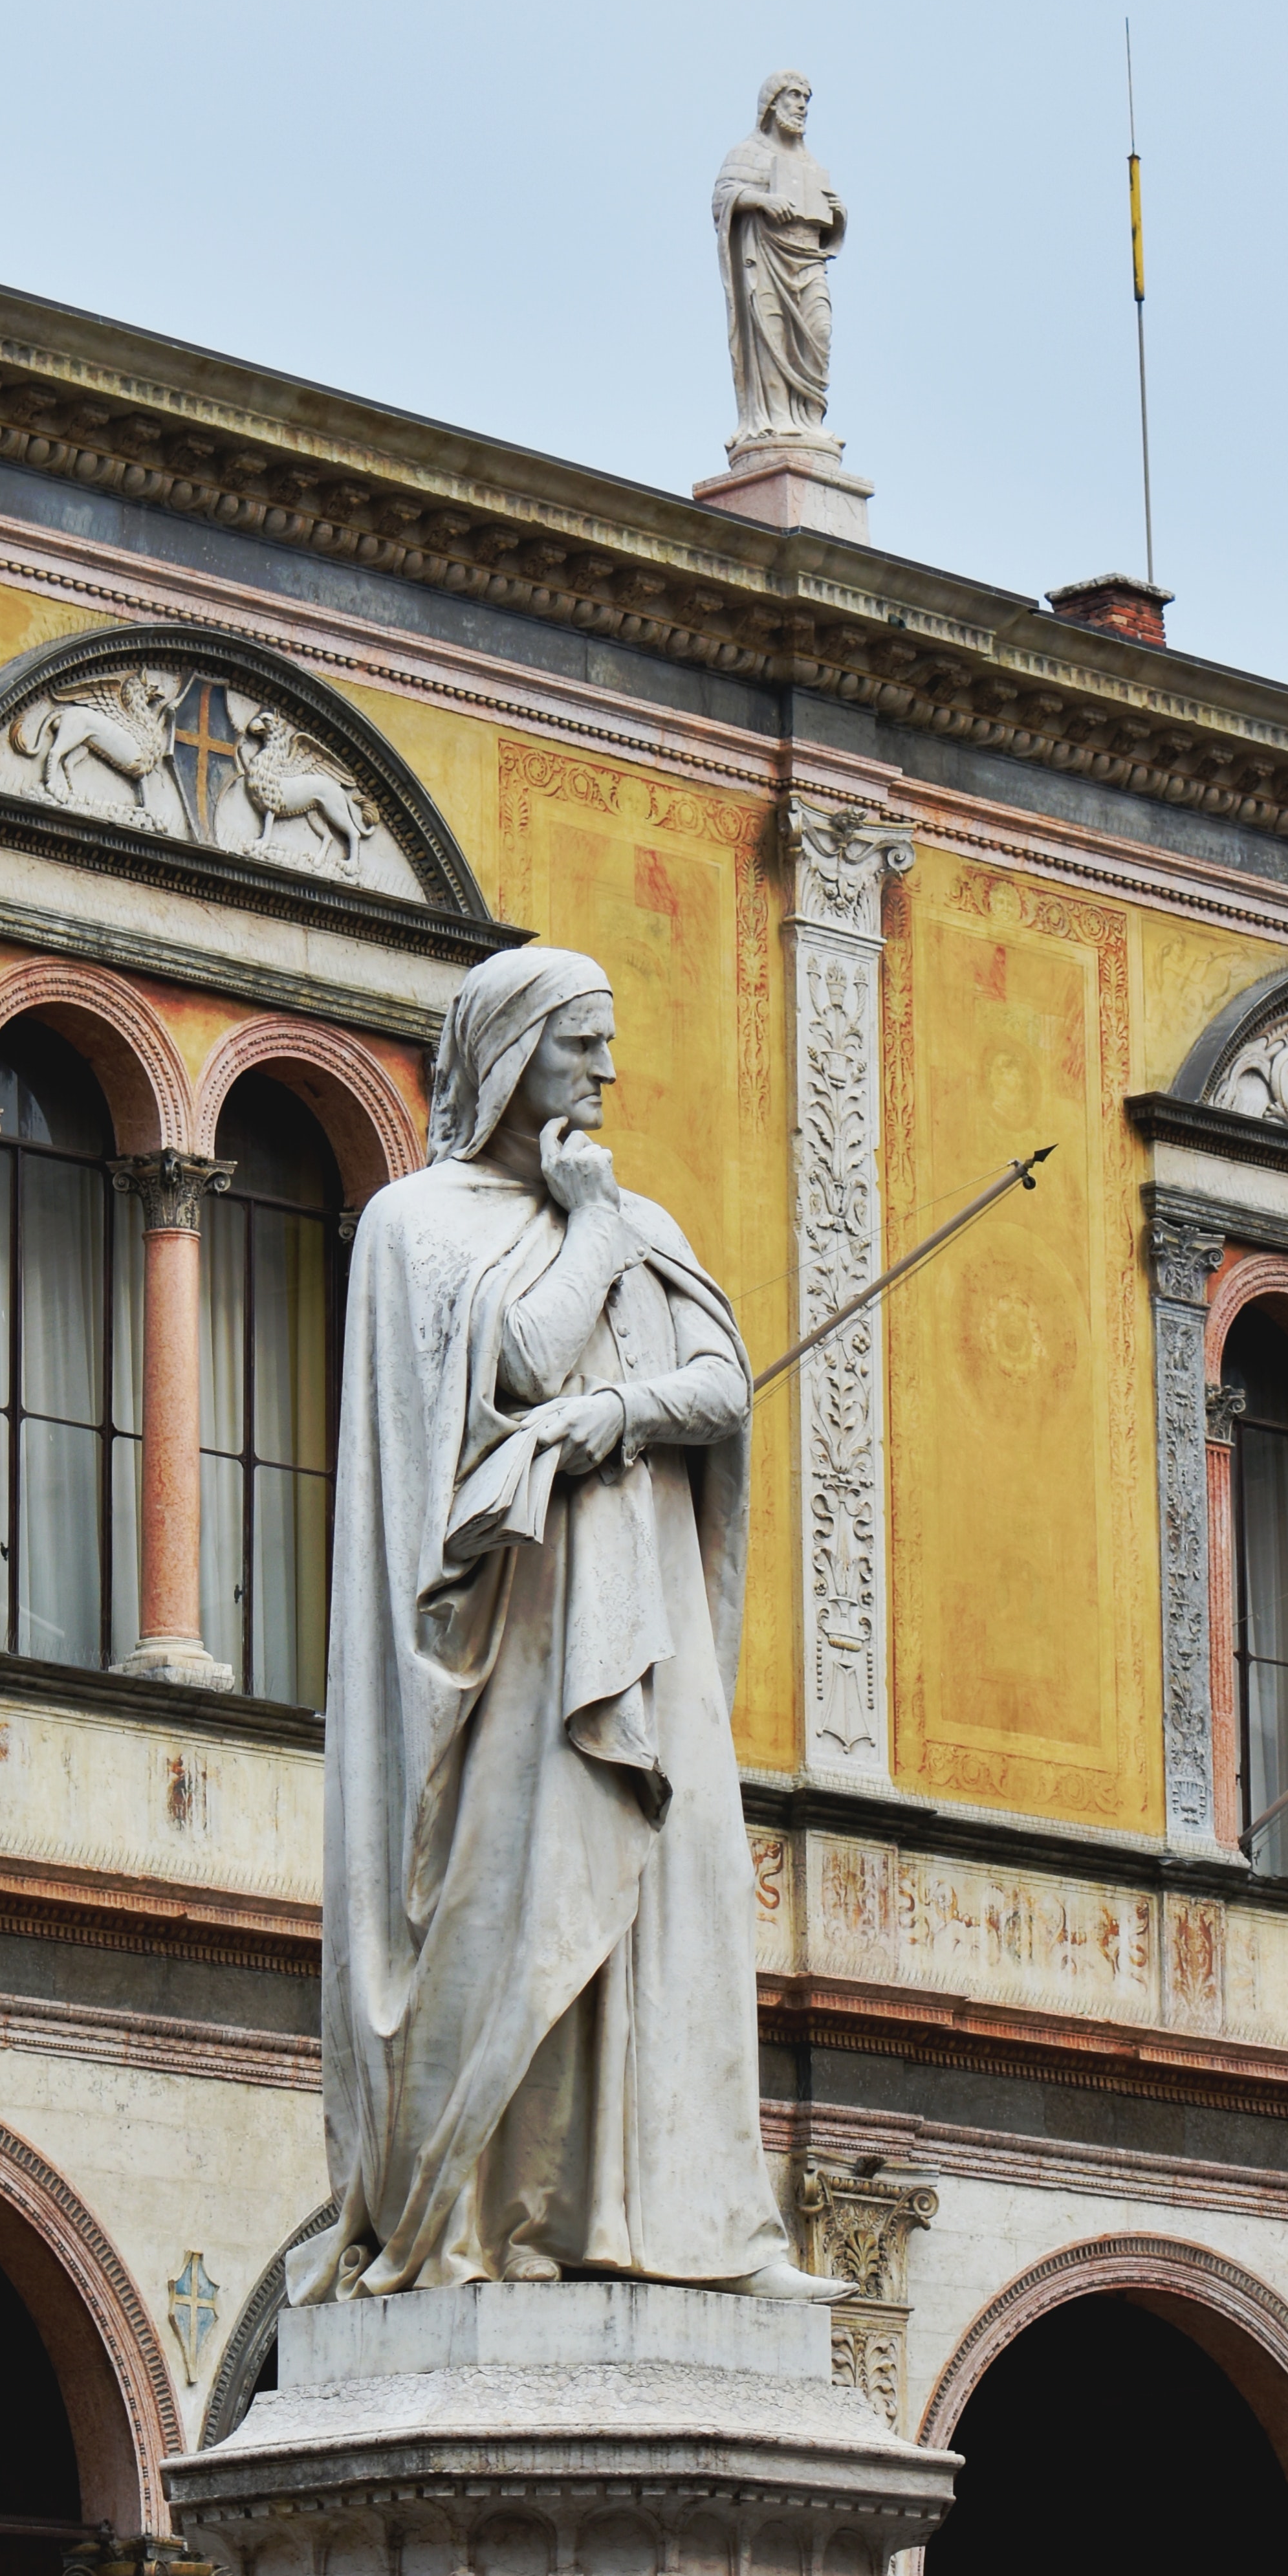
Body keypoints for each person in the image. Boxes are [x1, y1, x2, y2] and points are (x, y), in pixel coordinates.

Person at [298, 944, 849, 2302]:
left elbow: (719, 1385)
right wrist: (590, 1234)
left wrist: (612, 1417)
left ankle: (699, 2230)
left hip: (640, 1622)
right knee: (526, 1912)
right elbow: (521, 1360)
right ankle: (500, 2222)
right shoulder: (417, 1227)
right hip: (513, 1646)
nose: (604, 1071)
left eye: (607, 1044)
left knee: (680, 1901)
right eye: (577, 1044)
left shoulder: (637, 1218)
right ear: (505, 1058)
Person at [713, 72, 847, 445]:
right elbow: (722, 198)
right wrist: (763, 200)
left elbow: (828, 229)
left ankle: (810, 418)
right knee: (770, 339)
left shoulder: (809, 162)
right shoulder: (747, 153)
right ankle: (777, 419)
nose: (803, 105)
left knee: (819, 331)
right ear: (772, 104)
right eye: (794, 96)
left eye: (807, 98)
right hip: (765, 261)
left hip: (807, 260)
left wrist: (838, 213)